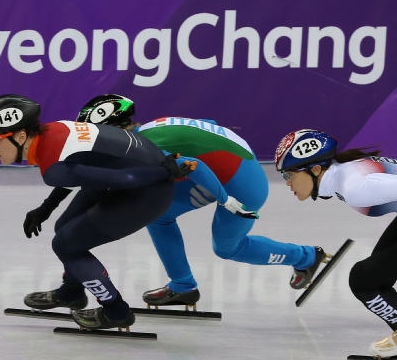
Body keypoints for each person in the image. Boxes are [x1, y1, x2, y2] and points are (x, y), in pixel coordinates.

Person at [74, 95, 322, 307]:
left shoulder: (143, 149)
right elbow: (207, 125)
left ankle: (306, 257)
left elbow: (194, 165)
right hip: (229, 167)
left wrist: (226, 200)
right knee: (159, 215)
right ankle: (183, 286)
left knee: (228, 248)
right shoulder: (148, 129)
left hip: (241, 182)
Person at [0, 94, 195, 330]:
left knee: (66, 244)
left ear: (21, 136)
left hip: (146, 189)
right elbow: (76, 168)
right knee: (64, 228)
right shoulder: (55, 128)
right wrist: (46, 208)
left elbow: (125, 178)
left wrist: (167, 173)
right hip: (138, 170)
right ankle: (71, 292)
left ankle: (116, 311)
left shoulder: (53, 167)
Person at [275, 129, 397, 357]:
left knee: (363, 279)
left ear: (316, 169)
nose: (288, 183)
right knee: (371, 279)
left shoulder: (355, 188)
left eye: (289, 175)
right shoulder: (346, 175)